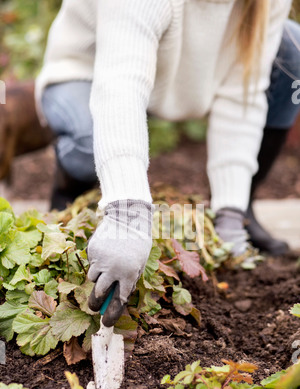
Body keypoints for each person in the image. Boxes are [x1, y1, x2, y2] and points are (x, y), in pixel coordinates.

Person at [35, 0, 296, 327]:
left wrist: (230, 209)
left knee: (293, 49)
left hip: (172, 79)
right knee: (90, 147)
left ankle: (243, 213)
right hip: (85, 73)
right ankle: (71, 186)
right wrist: (127, 212)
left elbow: (241, 97)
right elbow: (120, 86)